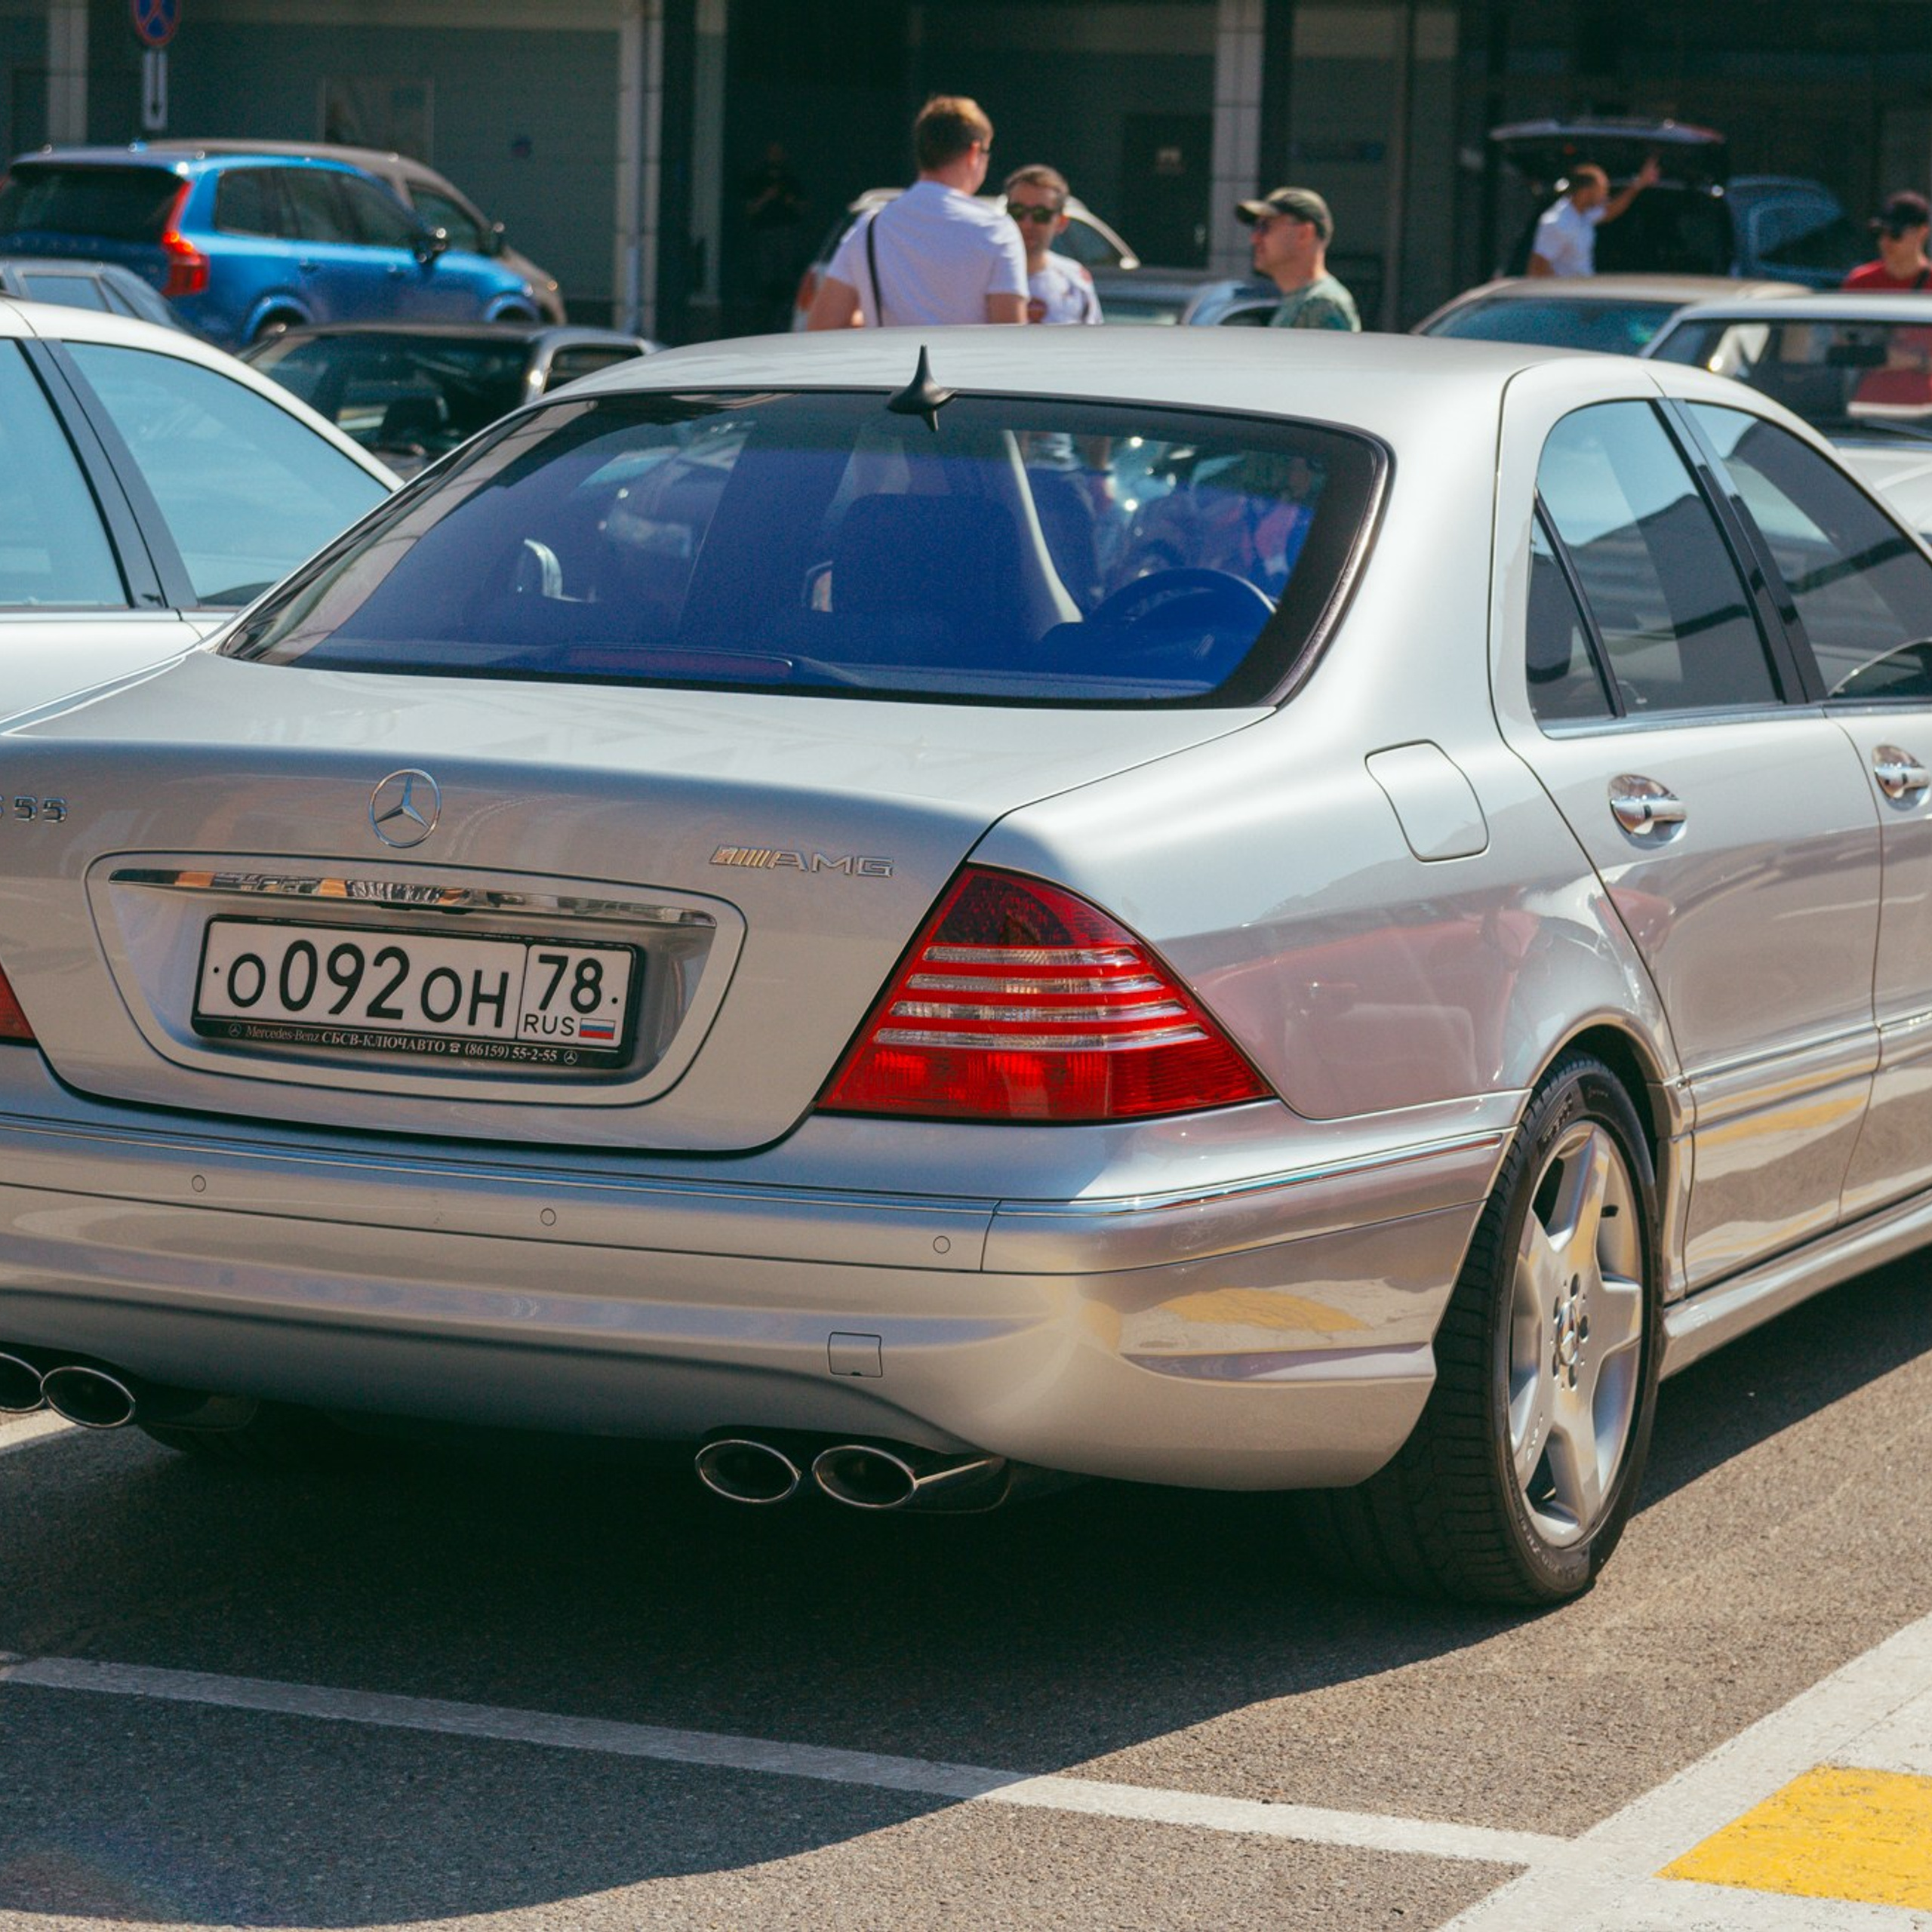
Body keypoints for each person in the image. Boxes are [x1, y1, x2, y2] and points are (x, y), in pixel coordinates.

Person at [806, 96, 1028, 329]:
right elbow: (1010, 335)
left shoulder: (869, 226)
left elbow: (822, 326)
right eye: (986, 152)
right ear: (974, 153)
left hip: (892, 365)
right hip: (968, 366)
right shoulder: (996, 230)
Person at [1234, 187, 1360, 331]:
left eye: (1264, 227)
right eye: (1256, 228)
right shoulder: (1300, 300)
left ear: (1304, 234)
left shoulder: (1321, 304)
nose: (1254, 239)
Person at [1527, 158, 1660, 277]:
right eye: (1602, 190)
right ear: (1585, 192)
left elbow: (1610, 211)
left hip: (1582, 295)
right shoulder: (1556, 222)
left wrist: (1639, 184)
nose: (1606, 196)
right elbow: (1537, 270)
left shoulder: (1583, 214)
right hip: (1566, 300)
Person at [1003, 164, 1102, 324]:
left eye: (1040, 214)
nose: (1027, 224)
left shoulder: (1075, 279)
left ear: (1061, 223)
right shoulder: (981, 274)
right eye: (1018, 212)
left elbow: (1094, 343)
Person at [740, 142, 806, 331]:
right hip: (764, 233)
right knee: (764, 275)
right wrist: (766, 198)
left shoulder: (791, 180)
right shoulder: (757, 180)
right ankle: (763, 319)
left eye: (779, 153)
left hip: (787, 233)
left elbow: (803, 209)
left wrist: (790, 202)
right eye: (772, 153)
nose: (775, 157)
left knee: (786, 275)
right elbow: (749, 211)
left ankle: (783, 315)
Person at [1844, 192, 1932, 291]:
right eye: (1880, 232)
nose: (1885, 241)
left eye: (1896, 233)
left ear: (1922, 232)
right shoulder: (1859, 283)